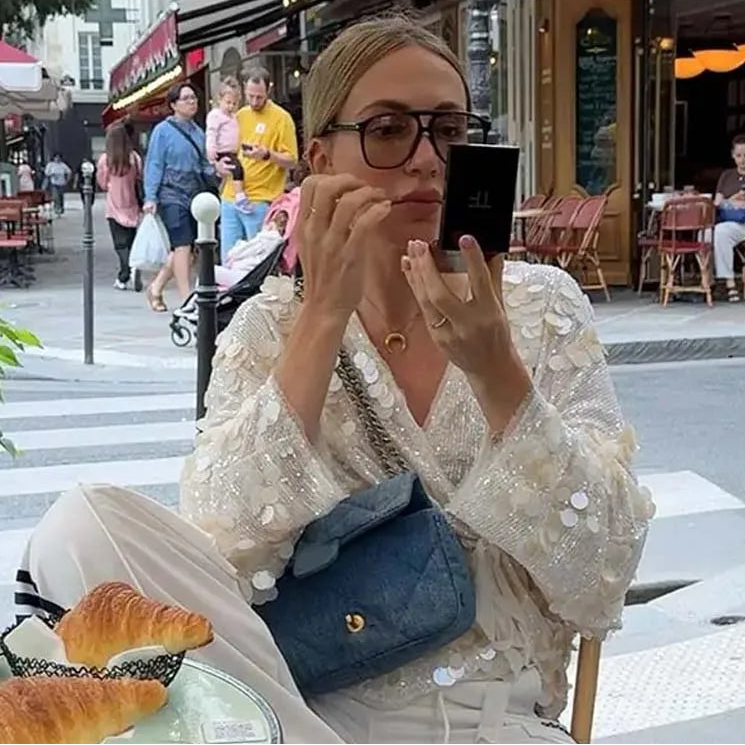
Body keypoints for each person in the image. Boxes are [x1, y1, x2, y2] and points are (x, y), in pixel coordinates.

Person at [17, 16, 653, 745]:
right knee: (81, 522)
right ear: (320, 158)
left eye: (448, 130)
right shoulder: (269, 327)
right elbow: (224, 551)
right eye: (389, 129)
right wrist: (322, 315)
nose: (427, 159)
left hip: (494, 720)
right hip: (302, 703)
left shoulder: (541, 309)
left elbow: (601, 573)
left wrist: (497, 371)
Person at [142, 82, 231, 311]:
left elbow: (203, 166)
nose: (192, 102)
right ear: (173, 104)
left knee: (188, 251)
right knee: (182, 246)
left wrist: (217, 170)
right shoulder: (162, 131)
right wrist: (150, 197)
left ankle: (156, 288)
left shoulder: (198, 132)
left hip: (194, 195)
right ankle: (187, 299)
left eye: (194, 98)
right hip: (170, 194)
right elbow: (154, 163)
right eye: (186, 98)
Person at [219, 66, 298, 262]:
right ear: (244, 90)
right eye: (251, 96)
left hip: (261, 200)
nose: (255, 102)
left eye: (259, 97)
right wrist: (219, 166)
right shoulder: (239, 115)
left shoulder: (281, 118)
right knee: (228, 260)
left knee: (256, 262)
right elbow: (227, 149)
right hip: (230, 197)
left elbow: (292, 160)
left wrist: (267, 155)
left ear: (269, 90)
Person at [97, 123, 143, 291]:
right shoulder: (134, 158)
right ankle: (130, 270)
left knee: (120, 245)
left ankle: (126, 273)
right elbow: (140, 178)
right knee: (131, 241)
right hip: (132, 205)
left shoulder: (106, 160)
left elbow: (102, 183)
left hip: (114, 206)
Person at [206, 77, 252, 215]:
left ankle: (229, 193)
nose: (231, 106)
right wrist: (211, 149)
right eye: (228, 102)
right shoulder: (216, 115)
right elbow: (211, 133)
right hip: (222, 151)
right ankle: (240, 197)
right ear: (219, 100)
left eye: (234, 103)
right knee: (237, 170)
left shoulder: (234, 117)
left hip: (233, 151)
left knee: (233, 173)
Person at [713, 133, 745, 302]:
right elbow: (717, 203)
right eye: (739, 155)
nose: (743, 160)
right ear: (733, 156)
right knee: (704, 234)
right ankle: (710, 281)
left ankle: (729, 282)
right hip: (729, 220)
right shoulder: (727, 176)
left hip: (742, 224)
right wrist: (731, 200)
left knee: (721, 232)